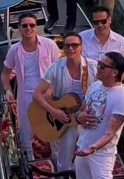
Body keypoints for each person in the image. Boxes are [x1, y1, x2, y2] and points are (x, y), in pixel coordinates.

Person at [32, 32, 98, 171]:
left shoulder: (93, 67)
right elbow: (37, 95)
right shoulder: (56, 67)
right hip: (64, 118)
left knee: (86, 155)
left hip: (87, 116)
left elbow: (104, 91)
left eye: (74, 45)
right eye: (66, 45)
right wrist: (54, 111)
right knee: (64, 156)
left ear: (82, 48)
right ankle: (64, 170)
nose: (70, 49)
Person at [1, 13, 61, 160]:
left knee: (53, 133)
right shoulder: (14, 50)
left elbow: (59, 70)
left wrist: (53, 91)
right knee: (26, 134)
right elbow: (5, 74)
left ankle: (57, 166)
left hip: (48, 94)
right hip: (25, 96)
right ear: (19, 29)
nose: (29, 28)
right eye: (25, 25)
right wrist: (8, 90)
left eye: (32, 25)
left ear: (36, 27)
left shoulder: (49, 45)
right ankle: (30, 164)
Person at [74, 52, 124, 179]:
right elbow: (81, 110)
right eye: (99, 64)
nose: (98, 67)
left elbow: (110, 133)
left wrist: (93, 147)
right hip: (82, 148)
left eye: (102, 66)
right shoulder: (94, 86)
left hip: (102, 155)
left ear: (114, 73)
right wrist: (79, 117)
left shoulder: (123, 98)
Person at [79, 6, 124, 81]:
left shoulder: (120, 41)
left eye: (103, 21)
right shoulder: (81, 37)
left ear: (110, 20)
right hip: (85, 82)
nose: (100, 25)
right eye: (96, 22)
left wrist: (117, 80)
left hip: (109, 85)